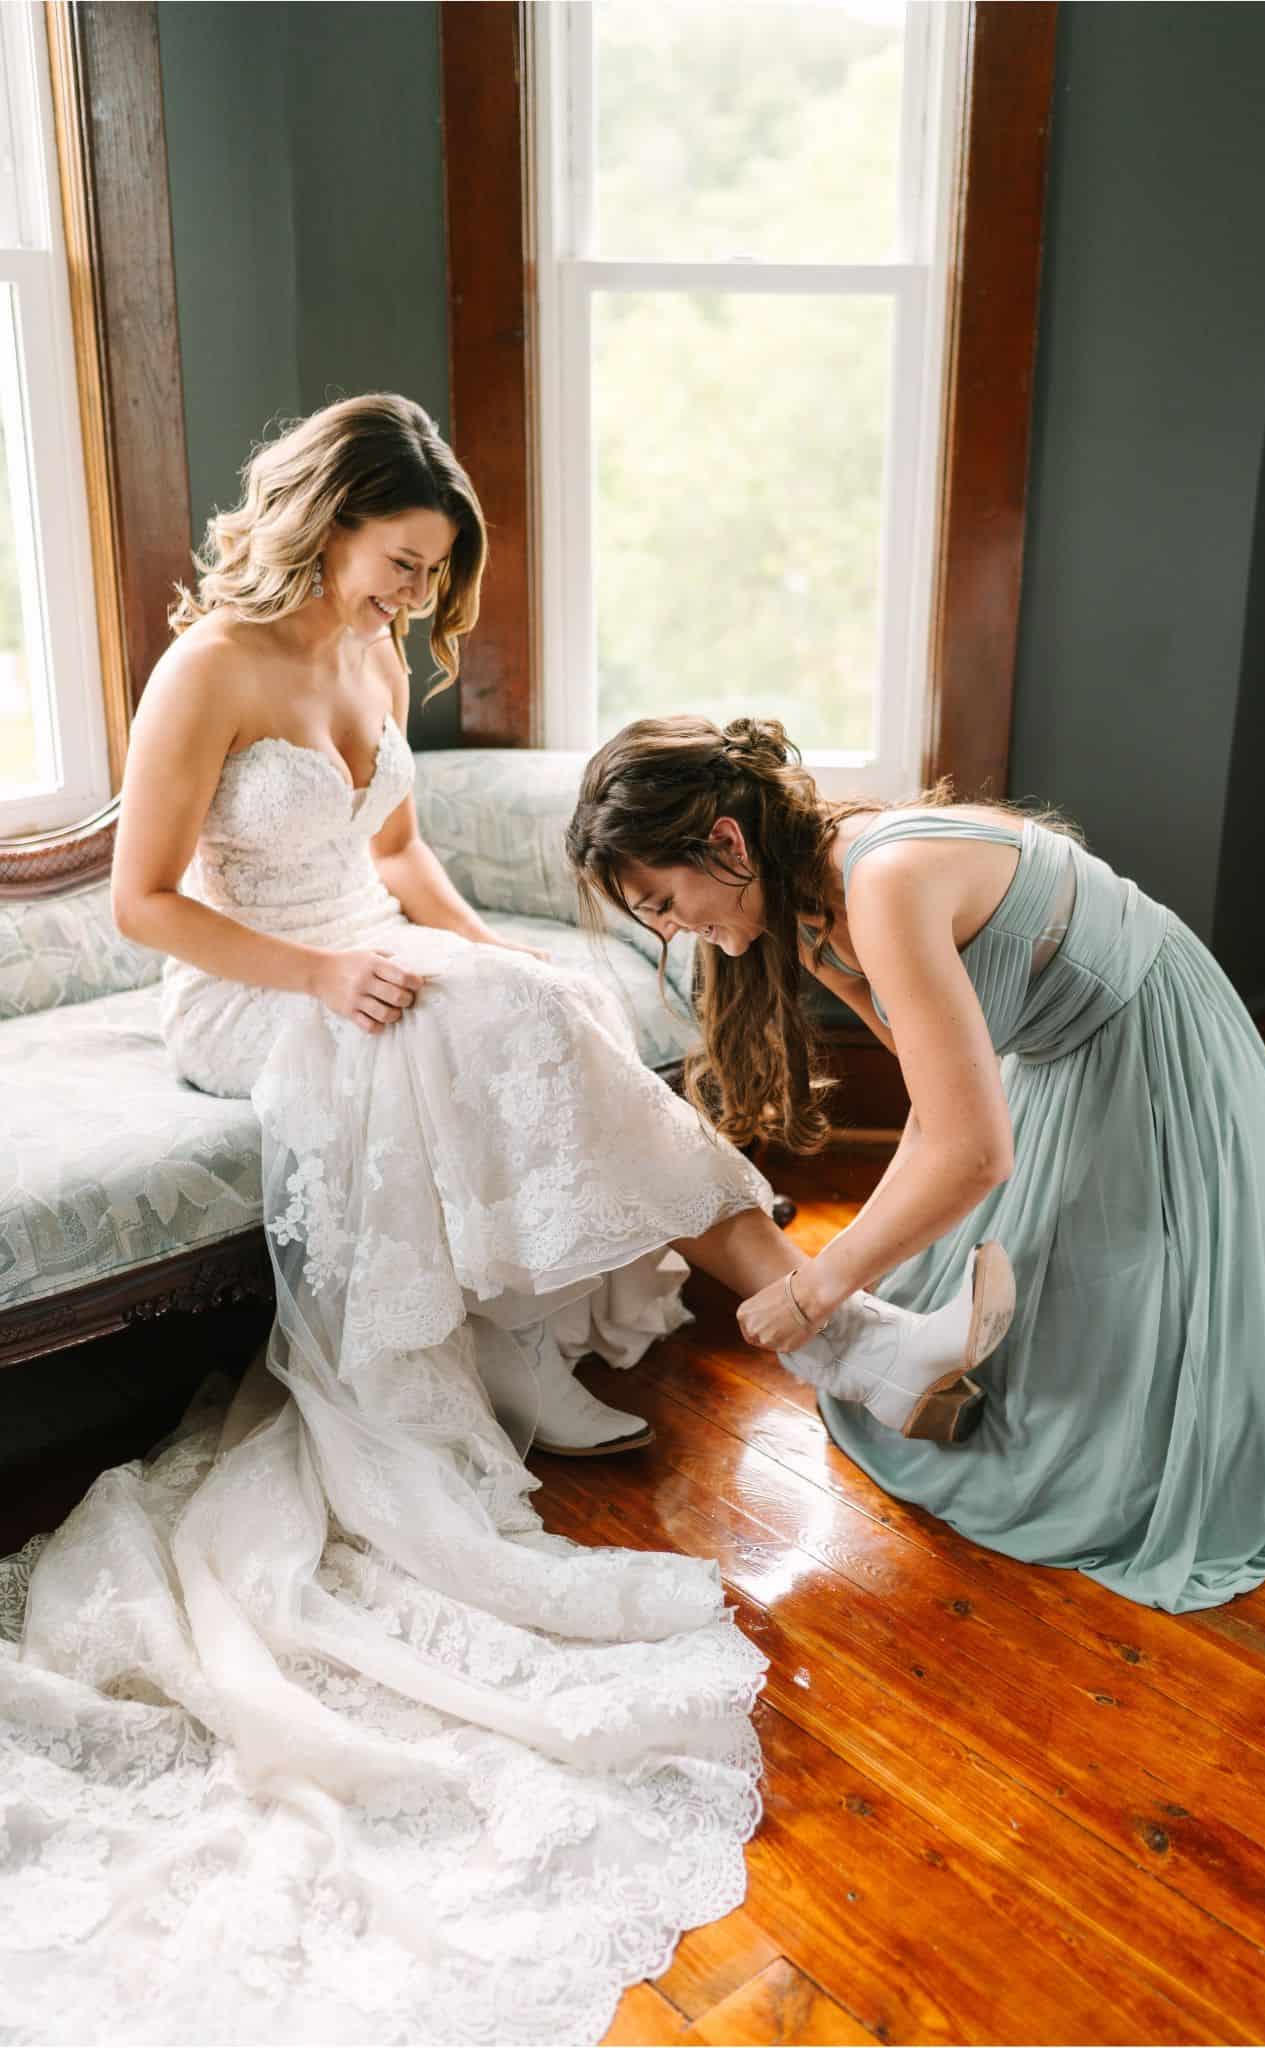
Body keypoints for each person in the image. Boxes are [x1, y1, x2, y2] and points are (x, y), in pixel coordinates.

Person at [0, 397, 1011, 2045]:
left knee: (539, 1009)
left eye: (426, 579)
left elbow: (393, 848)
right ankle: (847, 1339)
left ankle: (605, 1341)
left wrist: (500, 955)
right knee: (485, 1019)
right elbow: (142, 902)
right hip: (249, 996)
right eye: (400, 565)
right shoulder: (214, 671)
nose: (407, 602)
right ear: (329, 521)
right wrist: (328, 970)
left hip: (380, 969)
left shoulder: (373, 656)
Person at [566, 711, 1265, 1616]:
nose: (675, 932)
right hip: (1051, 1061)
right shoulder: (809, 916)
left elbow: (973, 1154)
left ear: (723, 841)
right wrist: (861, 1264)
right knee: (964, 1347)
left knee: (1125, 1439)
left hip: (1156, 1053)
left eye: (664, 904)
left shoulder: (886, 882)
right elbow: (929, 1112)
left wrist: (819, 1287)